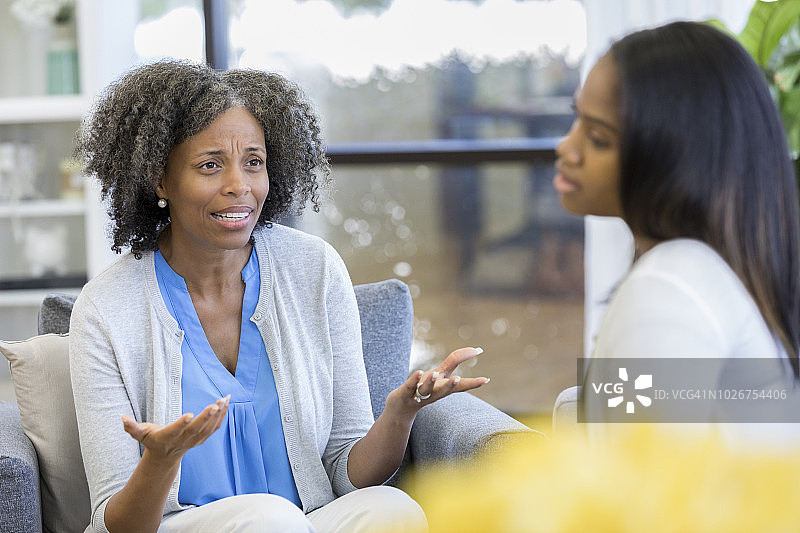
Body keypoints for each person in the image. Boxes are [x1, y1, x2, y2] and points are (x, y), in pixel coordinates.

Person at [70, 60, 488, 533]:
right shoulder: (106, 308)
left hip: (303, 522)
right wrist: (160, 461)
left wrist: (399, 414)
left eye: (254, 162)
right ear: (159, 179)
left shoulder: (314, 268)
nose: (239, 186)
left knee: (393, 508)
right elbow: (115, 522)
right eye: (210, 165)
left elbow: (346, 472)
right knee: (271, 518)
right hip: (181, 527)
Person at [553, 22, 800, 430]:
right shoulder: (705, 269)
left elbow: (643, 470)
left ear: (676, 153)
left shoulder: (671, 283)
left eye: (597, 138)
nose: (566, 148)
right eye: (577, 119)